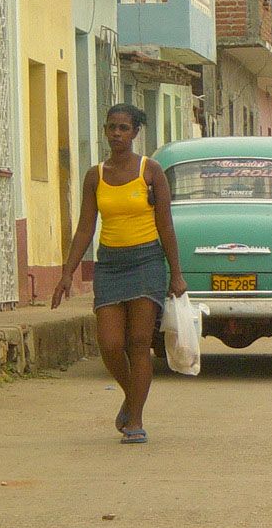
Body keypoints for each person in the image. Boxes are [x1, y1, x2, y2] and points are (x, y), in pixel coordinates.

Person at [51, 103, 186, 445]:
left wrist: (176, 274)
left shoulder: (151, 171)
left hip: (147, 262)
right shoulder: (94, 176)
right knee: (110, 344)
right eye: (111, 127)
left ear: (135, 132)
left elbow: (165, 225)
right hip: (110, 263)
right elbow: (85, 228)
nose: (116, 133)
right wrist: (67, 272)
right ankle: (131, 396)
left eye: (123, 128)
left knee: (139, 343)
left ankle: (135, 420)